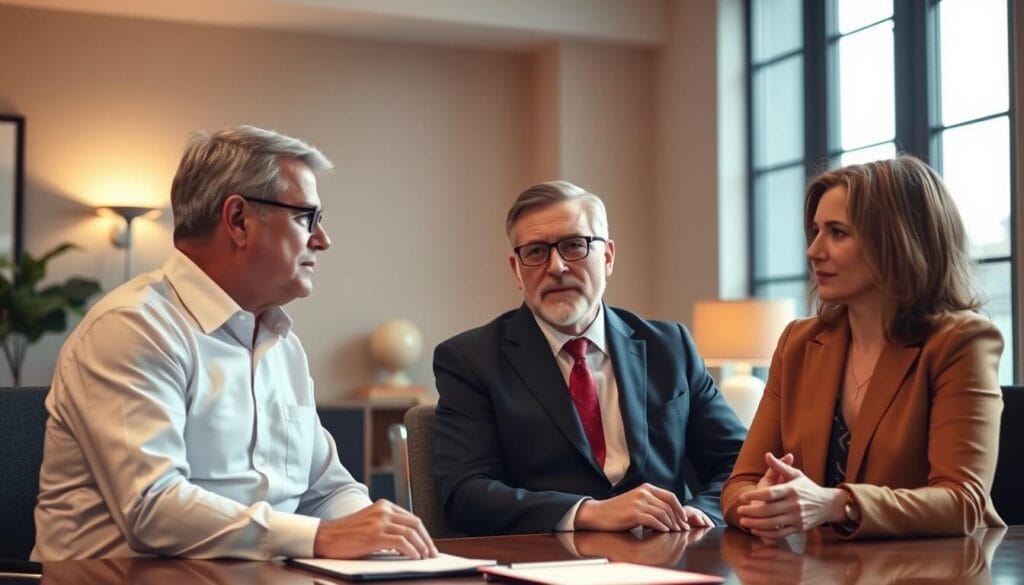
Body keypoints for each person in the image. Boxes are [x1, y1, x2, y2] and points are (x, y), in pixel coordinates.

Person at [33, 126, 436, 561]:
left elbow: (327, 490)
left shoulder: (284, 347)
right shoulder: (132, 328)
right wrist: (321, 537)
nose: (323, 240)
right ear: (239, 220)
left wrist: (380, 539)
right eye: (307, 218)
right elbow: (153, 508)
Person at [433, 180, 746, 536]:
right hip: (547, 556)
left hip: (666, 552)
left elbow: (739, 465)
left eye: (574, 245)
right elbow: (465, 494)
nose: (556, 267)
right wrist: (587, 513)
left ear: (608, 257)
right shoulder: (470, 360)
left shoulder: (670, 347)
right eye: (536, 252)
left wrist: (699, 513)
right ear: (517, 270)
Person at [721, 155, 1005, 540]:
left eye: (837, 233)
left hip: (941, 566)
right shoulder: (798, 343)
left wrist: (837, 503)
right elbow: (739, 484)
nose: (813, 250)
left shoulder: (961, 342)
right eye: (816, 231)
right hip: (825, 567)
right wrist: (762, 503)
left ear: (898, 241)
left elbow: (963, 501)